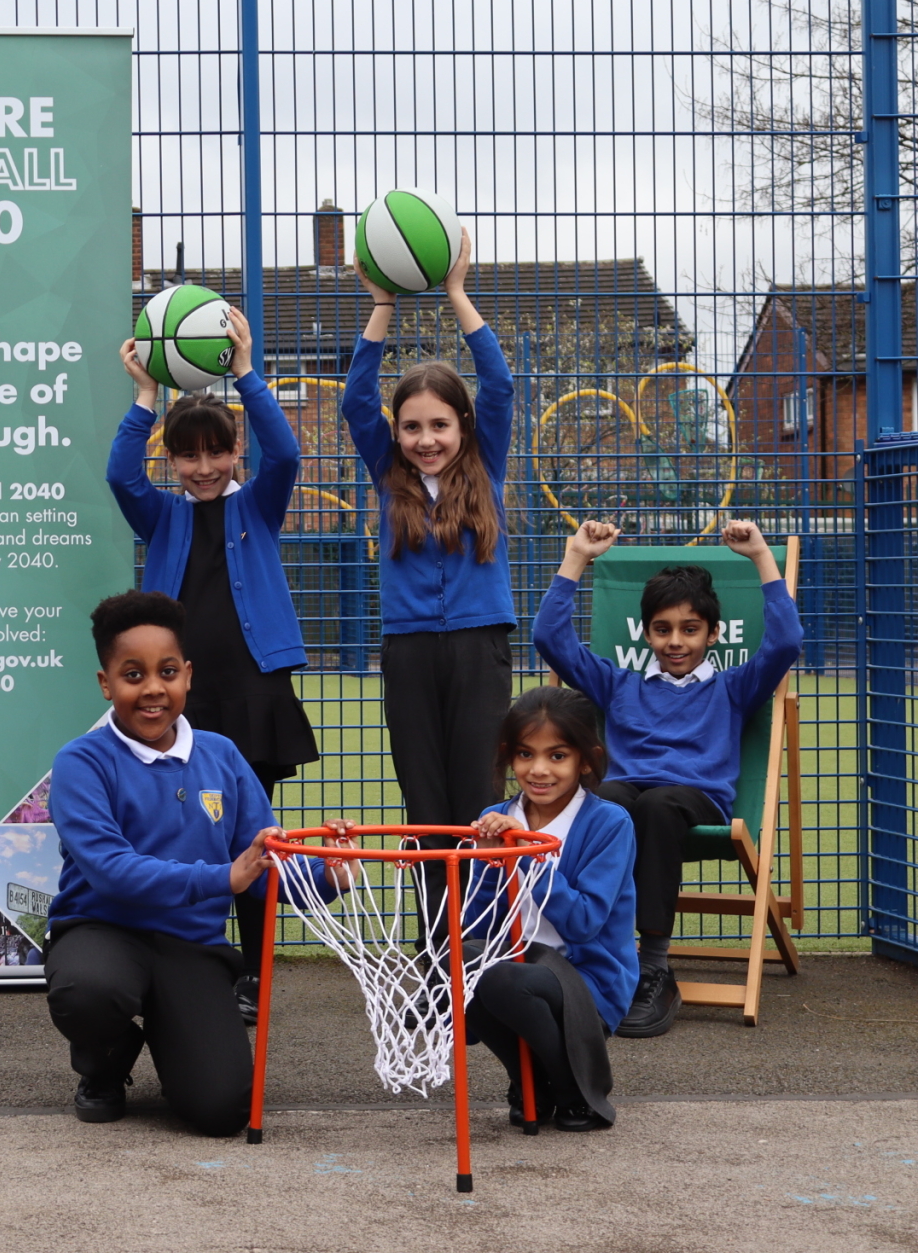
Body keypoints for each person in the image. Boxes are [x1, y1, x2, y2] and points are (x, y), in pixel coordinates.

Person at [43, 590, 346, 1135]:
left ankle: (177, 1025)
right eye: (133, 675)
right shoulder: (80, 762)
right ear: (106, 684)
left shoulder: (222, 756)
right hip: (103, 932)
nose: (153, 689)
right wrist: (221, 876)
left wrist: (330, 876)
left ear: (187, 675)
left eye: (167, 672)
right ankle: (104, 1066)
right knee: (89, 992)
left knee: (222, 1110)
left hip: (190, 946)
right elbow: (111, 869)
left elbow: (261, 869)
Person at [109, 312, 318, 1020]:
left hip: (251, 692)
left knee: (253, 837)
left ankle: (255, 975)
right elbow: (118, 474)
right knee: (181, 834)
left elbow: (286, 453)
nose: (202, 468)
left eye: (216, 453)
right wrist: (145, 396)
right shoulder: (162, 516)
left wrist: (247, 373)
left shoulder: (260, 503)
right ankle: (193, 964)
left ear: (235, 453)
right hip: (183, 703)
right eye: (187, 457)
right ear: (172, 462)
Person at [531, 518, 801, 1036]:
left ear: (712, 633)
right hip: (628, 798)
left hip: (693, 800)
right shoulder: (619, 685)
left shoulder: (734, 688)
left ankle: (653, 966)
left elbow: (785, 643)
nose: (676, 642)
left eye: (690, 629)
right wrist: (577, 557)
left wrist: (763, 559)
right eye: (663, 629)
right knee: (600, 800)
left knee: (655, 807)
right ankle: (583, 948)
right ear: (646, 632)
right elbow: (549, 637)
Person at [342, 227, 513, 945]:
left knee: (477, 792)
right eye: (411, 425)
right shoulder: (390, 474)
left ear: (462, 425)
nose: (425, 438)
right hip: (410, 651)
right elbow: (356, 400)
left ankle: (482, 938)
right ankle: (436, 940)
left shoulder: (488, 464)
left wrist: (456, 295)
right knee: (423, 799)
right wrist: (382, 304)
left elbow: (500, 383)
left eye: (439, 424)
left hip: (479, 647)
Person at [467, 686, 639, 1132]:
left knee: (504, 978)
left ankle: (574, 1088)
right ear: (510, 757)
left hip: (586, 977)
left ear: (586, 759)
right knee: (466, 963)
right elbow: (477, 926)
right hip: (519, 967)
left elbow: (584, 923)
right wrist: (489, 863)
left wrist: (523, 854)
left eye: (557, 756)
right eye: (525, 754)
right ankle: (528, 1082)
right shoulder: (495, 817)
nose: (538, 769)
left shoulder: (608, 822)